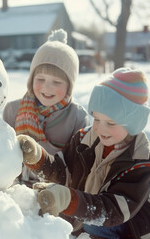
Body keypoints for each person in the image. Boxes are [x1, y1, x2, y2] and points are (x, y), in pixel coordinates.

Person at [18, 67, 150, 238]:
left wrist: (69, 199)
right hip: (87, 214)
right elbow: (64, 172)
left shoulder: (140, 161)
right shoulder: (84, 140)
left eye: (110, 123)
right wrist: (37, 158)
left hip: (125, 226)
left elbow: (116, 210)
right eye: (96, 118)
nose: (100, 128)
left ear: (133, 124)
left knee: (88, 225)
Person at [3, 29, 90, 186]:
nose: (46, 88)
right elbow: (1, 153)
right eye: (40, 79)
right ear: (31, 79)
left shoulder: (77, 118)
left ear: (70, 86)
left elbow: (77, 166)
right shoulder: (12, 110)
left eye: (56, 82)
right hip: (16, 190)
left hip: (55, 192)